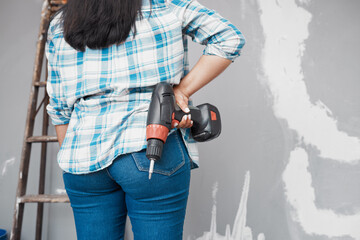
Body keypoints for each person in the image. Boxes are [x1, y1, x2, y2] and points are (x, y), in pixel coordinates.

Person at [45, 0, 245, 239]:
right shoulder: (164, 5)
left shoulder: (61, 23)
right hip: (151, 148)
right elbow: (229, 38)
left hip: (83, 156)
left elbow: (59, 108)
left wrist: (75, 165)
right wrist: (182, 91)